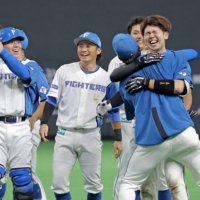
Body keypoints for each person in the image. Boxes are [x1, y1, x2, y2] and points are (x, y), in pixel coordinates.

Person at [111, 15, 200, 200]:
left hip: (155, 139)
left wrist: (147, 82)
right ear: (140, 42)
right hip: (180, 134)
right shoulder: (174, 57)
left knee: (130, 184)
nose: (150, 36)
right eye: (147, 33)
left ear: (166, 34)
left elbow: (181, 88)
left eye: (154, 32)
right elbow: (191, 58)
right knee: (174, 182)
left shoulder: (128, 76)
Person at [39, 32, 122, 200]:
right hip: (64, 134)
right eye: (80, 46)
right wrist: (44, 122)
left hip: (91, 135)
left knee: (94, 185)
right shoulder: (65, 70)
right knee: (58, 183)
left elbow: (113, 109)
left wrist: (118, 138)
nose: (83, 49)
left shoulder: (106, 78)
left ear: (98, 50)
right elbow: (52, 98)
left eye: (88, 46)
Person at [108, 16, 169, 200]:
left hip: (153, 121)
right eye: (134, 33)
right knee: (127, 172)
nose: (139, 37)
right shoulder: (117, 61)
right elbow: (113, 98)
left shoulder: (157, 57)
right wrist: (118, 137)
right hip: (127, 121)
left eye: (141, 33)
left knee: (161, 175)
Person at [0, 27, 49, 200]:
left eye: (18, 41)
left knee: (23, 181)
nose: (16, 45)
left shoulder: (29, 66)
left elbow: (23, 74)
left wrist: (1, 51)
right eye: (11, 42)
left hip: (21, 125)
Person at [19, 30, 48, 200]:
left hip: (27, 123)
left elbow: (45, 98)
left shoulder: (32, 66)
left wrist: (33, 120)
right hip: (6, 127)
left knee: (27, 173)